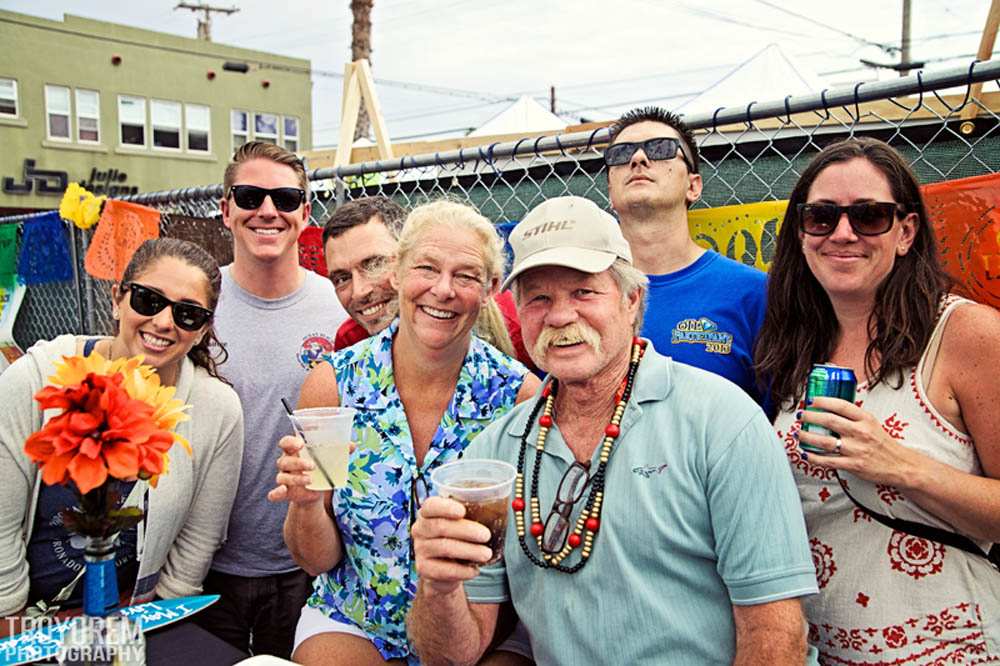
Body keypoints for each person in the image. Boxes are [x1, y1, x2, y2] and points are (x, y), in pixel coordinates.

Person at [408, 195, 818, 665]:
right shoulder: (497, 452)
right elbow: (452, 656)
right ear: (519, 312)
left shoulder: (721, 421)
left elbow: (774, 629)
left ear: (631, 300)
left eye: (584, 292)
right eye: (539, 297)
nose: (560, 316)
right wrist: (438, 587)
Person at [756, 138, 1000, 664]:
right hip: (826, 650)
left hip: (951, 647)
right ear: (801, 233)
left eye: (869, 216)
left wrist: (898, 465)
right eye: (821, 217)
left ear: (906, 231)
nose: (843, 233)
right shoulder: (796, 345)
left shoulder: (965, 334)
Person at [270, 200, 540, 665]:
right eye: (427, 268)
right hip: (356, 617)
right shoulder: (334, 384)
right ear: (397, 272)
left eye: (466, 276)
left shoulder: (518, 399)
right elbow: (316, 561)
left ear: (492, 288)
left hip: (479, 629)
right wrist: (307, 501)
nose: (442, 290)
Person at [0, 238, 243, 629]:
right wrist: (12, 624)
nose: (164, 322)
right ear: (117, 299)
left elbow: (197, 545)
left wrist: (152, 629)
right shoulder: (36, 379)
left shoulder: (217, 410)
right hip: (27, 618)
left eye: (188, 314)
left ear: (202, 331)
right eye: (148, 300)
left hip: (136, 620)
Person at [196, 141, 349, 658]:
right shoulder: (196, 304)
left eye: (285, 198)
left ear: (306, 213)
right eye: (250, 195)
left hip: (307, 560)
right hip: (204, 560)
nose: (268, 210)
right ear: (225, 209)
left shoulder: (338, 308)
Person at [606, 106, 768, 408]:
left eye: (660, 149)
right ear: (610, 191)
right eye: (620, 154)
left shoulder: (755, 293)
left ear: (693, 186)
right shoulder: (583, 295)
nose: (638, 159)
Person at [323, 196, 536, 372]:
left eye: (374, 263)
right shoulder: (350, 348)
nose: (360, 291)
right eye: (342, 278)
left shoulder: (516, 327)